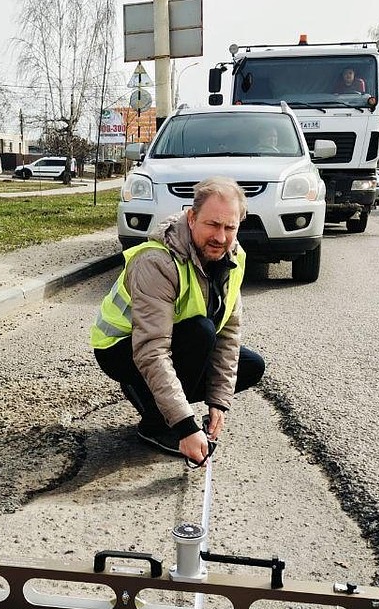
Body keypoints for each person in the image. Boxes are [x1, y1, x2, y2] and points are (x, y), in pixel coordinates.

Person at [90, 177, 266, 465]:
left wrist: (218, 402)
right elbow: (152, 350)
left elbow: (229, 335)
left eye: (229, 227)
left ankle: (159, 403)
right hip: (122, 349)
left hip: (173, 342)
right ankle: (156, 422)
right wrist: (185, 425)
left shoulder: (233, 257)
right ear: (192, 217)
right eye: (212, 224)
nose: (220, 237)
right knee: (201, 331)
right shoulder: (157, 261)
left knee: (250, 366)